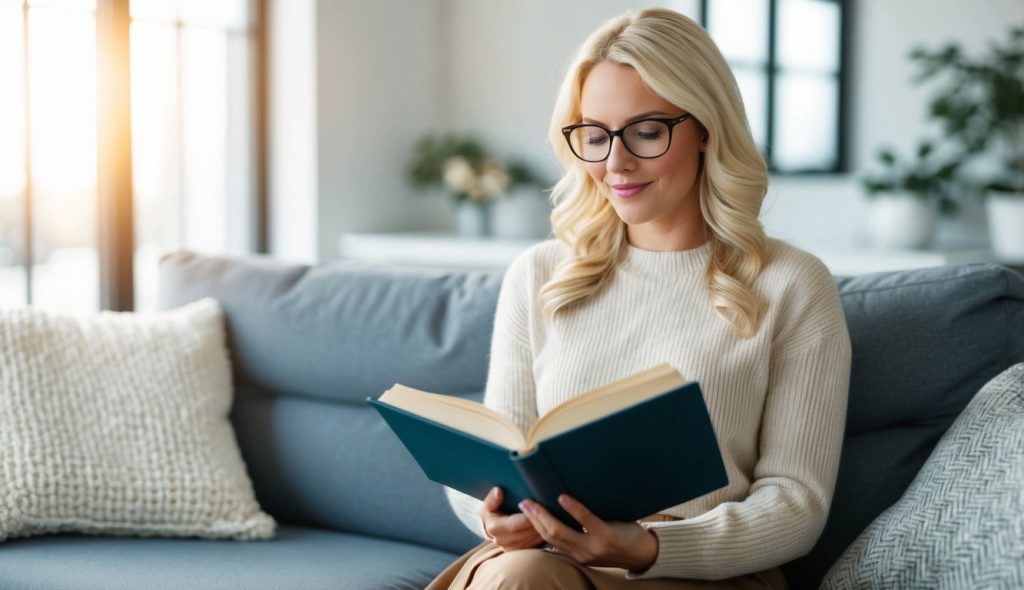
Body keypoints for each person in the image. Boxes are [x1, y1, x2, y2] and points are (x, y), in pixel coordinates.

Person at [428, 7, 851, 589]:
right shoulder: (540, 274)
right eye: (595, 136)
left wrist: (647, 545)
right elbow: (495, 456)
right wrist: (492, 512)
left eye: (646, 132)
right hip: (547, 559)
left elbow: (796, 502)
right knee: (523, 573)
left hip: (699, 570)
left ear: (706, 129)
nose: (615, 163)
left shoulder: (791, 283)